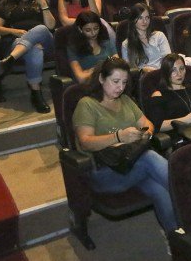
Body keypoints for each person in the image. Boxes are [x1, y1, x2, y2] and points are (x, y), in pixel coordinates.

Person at [73, 57, 177, 235]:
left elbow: (148, 124)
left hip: (131, 164)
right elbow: (85, 142)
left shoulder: (126, 100)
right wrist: (118, 136)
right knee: (150, 158)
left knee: (160, 191)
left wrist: (144, 134)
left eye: (124, 82)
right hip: (105, 172)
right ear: (101, 79)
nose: (120, 87)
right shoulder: (87, 104)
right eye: (115, 81)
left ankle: (176, 239)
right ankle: (190, 193)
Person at [0, 0, 55, 112]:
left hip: (47, 41)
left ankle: (10, 60)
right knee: (34, 49)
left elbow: (51, 26)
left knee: (41, 28)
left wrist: (43, 3)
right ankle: (36, 94)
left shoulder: (40, 1)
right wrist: (14, 31)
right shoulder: (6, 4)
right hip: (17, 42)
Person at [147, 53, 191, 135]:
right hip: (181, 137)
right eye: (173, 70)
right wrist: (186, 120)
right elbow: (158, 126)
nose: (179, 73)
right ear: (166, 73)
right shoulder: (159, 94)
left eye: (182, 68)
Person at [67, 11, 117, 83]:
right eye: (88, 30)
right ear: (80, 29)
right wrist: (102, 67)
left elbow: (117, 65)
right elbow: (80, 78)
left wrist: (89, 71)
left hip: (110, 82)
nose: (93, 33)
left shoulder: (106, 43)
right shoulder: (73, 48)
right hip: (90, 85)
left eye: (96, 28)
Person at [121, 3, 171, 72]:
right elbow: (129, 70)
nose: (145, 21)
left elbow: (168, 60)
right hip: (142, 78)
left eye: (147, 17)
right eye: (140, 18)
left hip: (162, 74)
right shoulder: (126, 44)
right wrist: (143, 70)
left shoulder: (159, 36)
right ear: (133, 20)